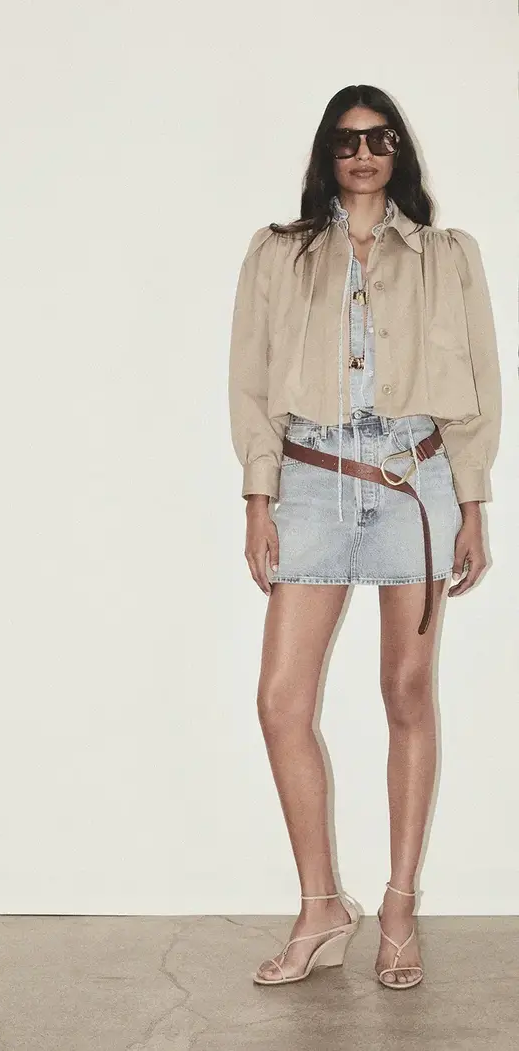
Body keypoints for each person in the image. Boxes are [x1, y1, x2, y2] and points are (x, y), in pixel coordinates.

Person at [227, 85, 502, 989]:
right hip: (310, 481)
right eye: (347, 141)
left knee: (407, 691)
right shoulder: (278, 253)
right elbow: (251, 379)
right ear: (327, 153)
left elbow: (479, 384)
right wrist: (259, 495)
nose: (364, 154)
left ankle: (399, 905)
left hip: (414, 480)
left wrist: (471, 502)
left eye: (380, 138)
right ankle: (321, 905)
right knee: (281, 700)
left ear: (400, 151)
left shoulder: (448, 256)